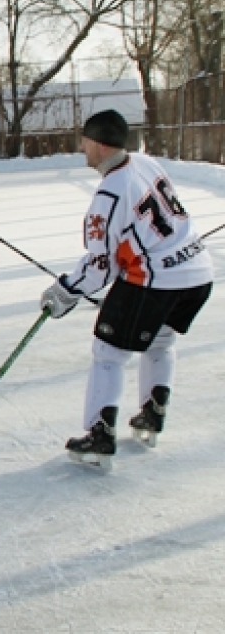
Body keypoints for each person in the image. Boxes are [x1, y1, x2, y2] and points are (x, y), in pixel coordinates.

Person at [39, 110, 213, 469]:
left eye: (85, 141)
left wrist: (66, 291)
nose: (82, 147)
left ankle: (99, 435)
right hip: (197, 273)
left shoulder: (108, 194)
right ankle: (153, 412)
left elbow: (102, 265)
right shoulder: (145, 163)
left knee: (108, 351)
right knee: (161, 340)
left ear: (101, 146)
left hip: (157, 279)